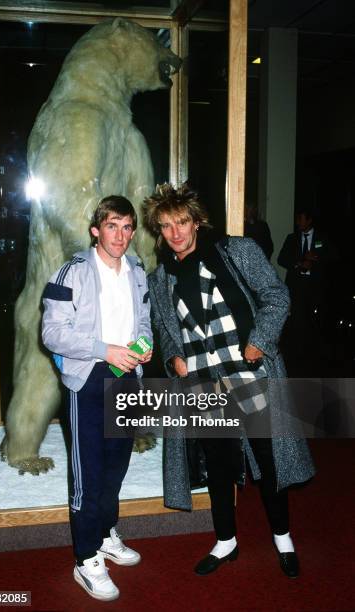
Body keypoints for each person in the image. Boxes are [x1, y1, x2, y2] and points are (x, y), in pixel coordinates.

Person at [144, 183, 314, 578]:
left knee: (270, 460)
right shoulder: (160, 278)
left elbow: (276, 295)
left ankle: (282, 537)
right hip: (203, 381)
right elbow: (166, 330)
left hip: (246, 374)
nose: (176, 233)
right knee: (218, 464)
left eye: (182, 222)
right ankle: (226, 541)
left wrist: (259, 340)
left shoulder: (237, 251)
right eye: (167, 226)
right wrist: (173, 358)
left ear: (197, 221)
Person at [42, 195, 152, 601]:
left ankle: (105, 534)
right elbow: (52, 333)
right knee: (87, 474)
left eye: (126, 227)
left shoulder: (137, 271)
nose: (120, 236)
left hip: (127, 378)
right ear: (96, 229)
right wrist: (105, 350)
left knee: (115, 466)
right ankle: (85, 556)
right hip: (88, 379)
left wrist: (145, 346)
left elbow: (144, 321)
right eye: (112, 226)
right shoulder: (72, 272)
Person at [278, 208, 338, 375]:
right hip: (297, 285)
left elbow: (333, 256)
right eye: (297, 219)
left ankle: (314, 354)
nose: (298, 223)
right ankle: (297, 355)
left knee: (314, 319)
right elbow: (281, 258)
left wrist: (316, 257)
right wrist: (299, 262)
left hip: (315, 286)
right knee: (296, 319)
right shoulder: (292, 238)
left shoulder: (321, 238)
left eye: (301, 219)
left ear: (309, 220)